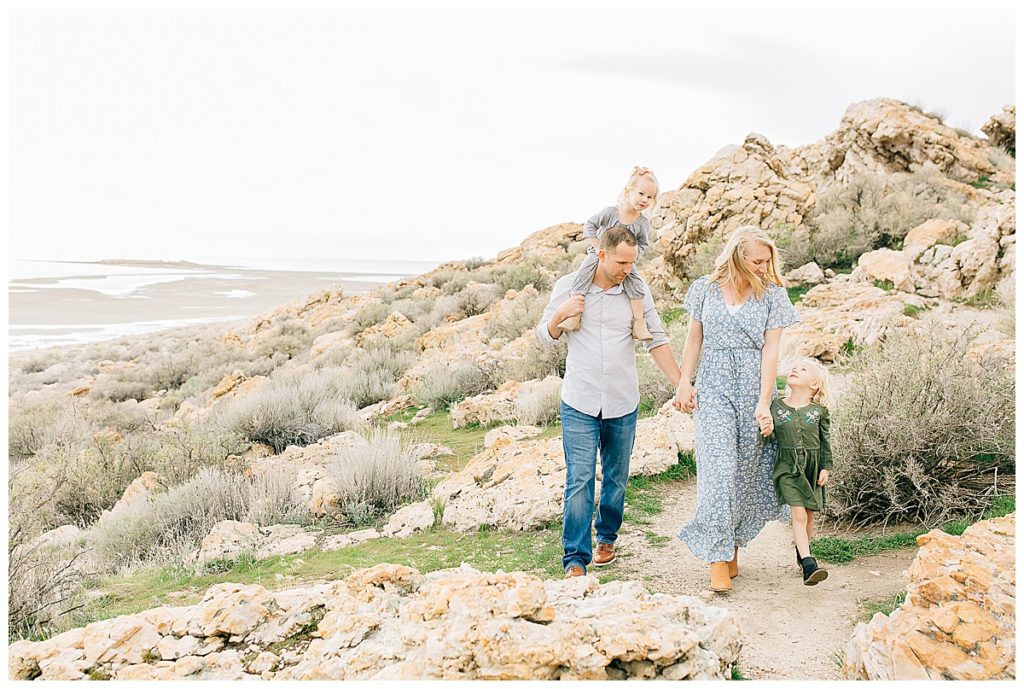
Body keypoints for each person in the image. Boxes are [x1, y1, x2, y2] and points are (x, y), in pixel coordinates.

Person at [537, 225, 684, 578]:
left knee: (616, 477)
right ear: (601, 254)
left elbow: (657, 340)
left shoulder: (636, 291)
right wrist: (561, 313)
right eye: (621, 262)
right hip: (580, 400)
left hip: (622, 399)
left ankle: (607, 537)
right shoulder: (570, 286)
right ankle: (575, 558)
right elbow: (545, 336)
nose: (626, 269)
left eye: (632, 262)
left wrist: (682, 384)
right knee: (580, 478)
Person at [673, 225, 800, 593]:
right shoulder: (704, 289)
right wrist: (685, 380)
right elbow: (694, 337)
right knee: (718, 466)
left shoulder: (774, 295)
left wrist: (764, 402)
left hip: (752, 385)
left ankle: (731, 545)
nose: (764, 266)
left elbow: (770, 351)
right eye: (757, 261)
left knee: (746, 469)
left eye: (767, 260)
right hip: (712, 384)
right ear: (737, 257)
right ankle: (716, 556)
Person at [557, 166, 660, 342]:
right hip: (600, 254)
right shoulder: (610, 213)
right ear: (629, 190)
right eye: (641, 194)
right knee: (583, 275)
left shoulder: (642, 223)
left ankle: (639, 323)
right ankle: (575, 315)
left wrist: (632, 257)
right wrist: (597, 247)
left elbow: (643, 243)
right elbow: (590, 225)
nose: (645, 200)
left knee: (636, 284)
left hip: (624, 261)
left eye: (650, 197)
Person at [770, 356, 833, 585]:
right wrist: (765, 431)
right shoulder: (777, 406)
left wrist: (826, 466)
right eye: (794, 368)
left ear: (814, 384)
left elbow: (825, 441)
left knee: (808, 516)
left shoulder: (819, 411)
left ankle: (802, 552)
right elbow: (769, 435)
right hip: (787, 467)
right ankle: (809, 564)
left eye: (803, 369)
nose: (795, 370)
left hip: (813, 466)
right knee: (797, 513)